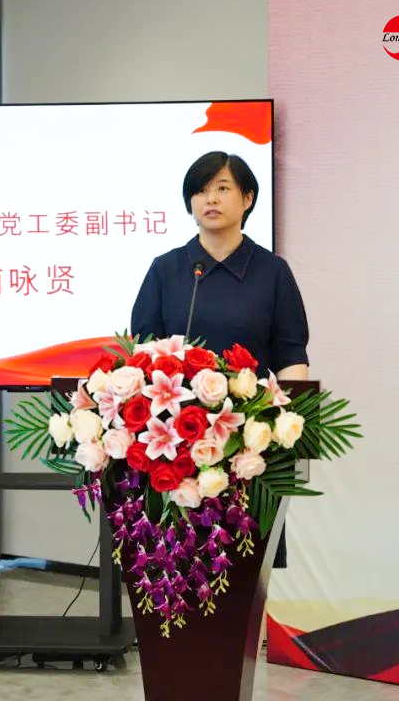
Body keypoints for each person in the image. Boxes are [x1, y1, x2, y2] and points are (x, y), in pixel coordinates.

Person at [130, 150, 310, 567]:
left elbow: (290, 354)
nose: (210, 198)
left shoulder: (272, 272)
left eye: (223, 188)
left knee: (243, 569)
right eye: (200, 190)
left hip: (250, 448)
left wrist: (291, 428)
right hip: (175, 452)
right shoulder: (166, 270)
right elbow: (142, 353)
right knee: (176, 569)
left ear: (247, 198)